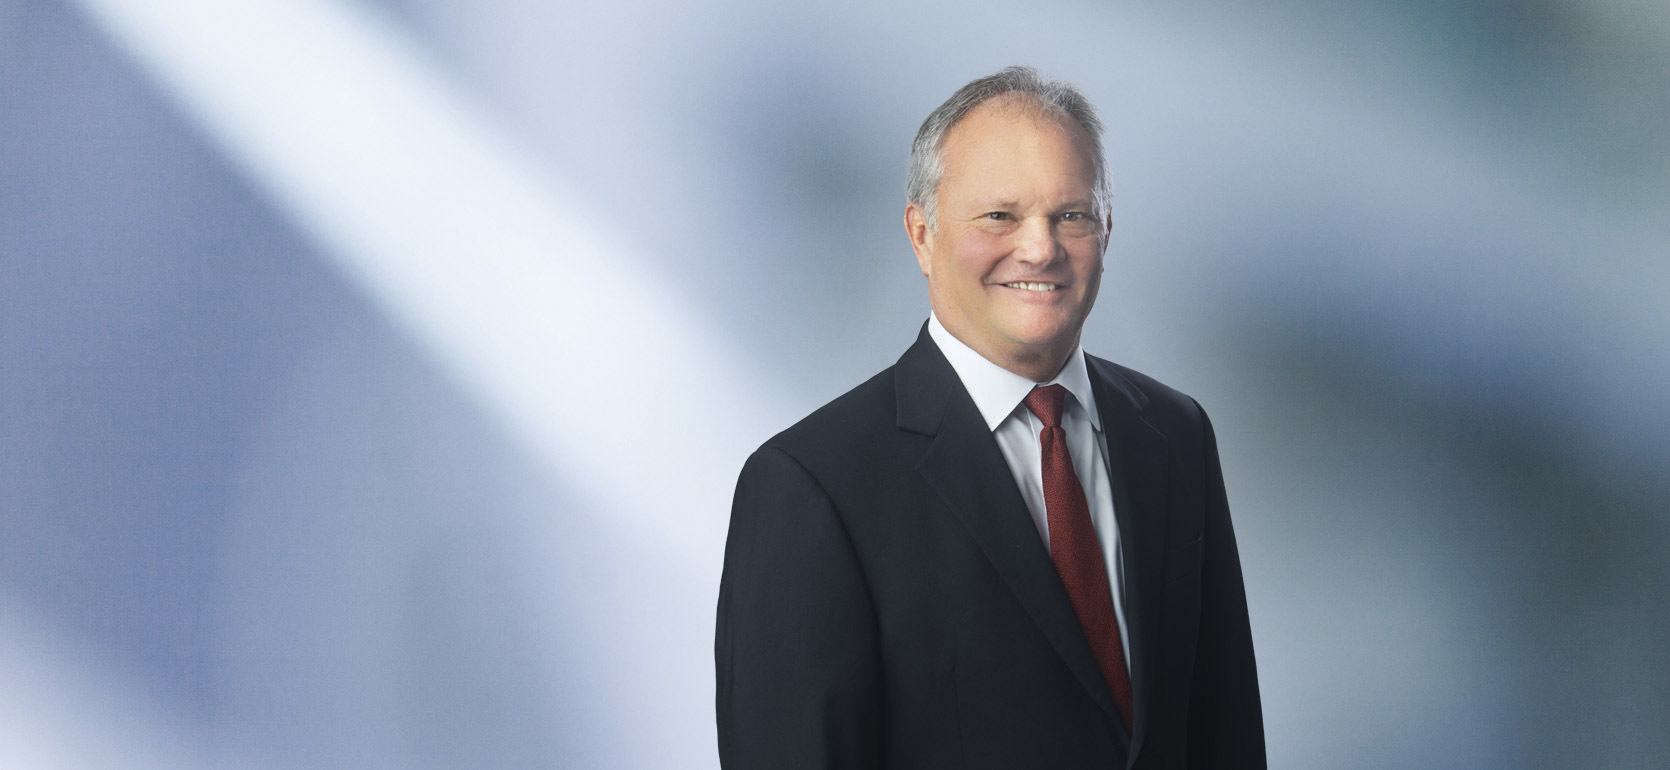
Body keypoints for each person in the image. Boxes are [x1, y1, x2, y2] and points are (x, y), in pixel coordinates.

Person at [715, 66, 1265, 769]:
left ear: (1106, 230)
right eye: (1000, 216)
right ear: (921, 234)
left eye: (1071, 214)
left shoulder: (1176, 437)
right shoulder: (811, 487)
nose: (1040, 248)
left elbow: (1225, 737)